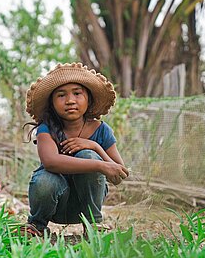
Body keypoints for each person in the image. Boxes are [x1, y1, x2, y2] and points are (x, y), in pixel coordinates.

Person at [22, 62, 129, 236]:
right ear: (52, 103)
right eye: (61, 95)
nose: (70, 100)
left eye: (77, 93)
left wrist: (95, 147)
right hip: (54, 204)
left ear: (89, 98)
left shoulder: (102, 130)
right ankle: (37, 225)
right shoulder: (46, 129)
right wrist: (100, 165)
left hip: (85, 205)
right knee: (45, 180)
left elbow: (119, 175)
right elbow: (50, 162)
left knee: (88, 154)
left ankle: (93, 225)